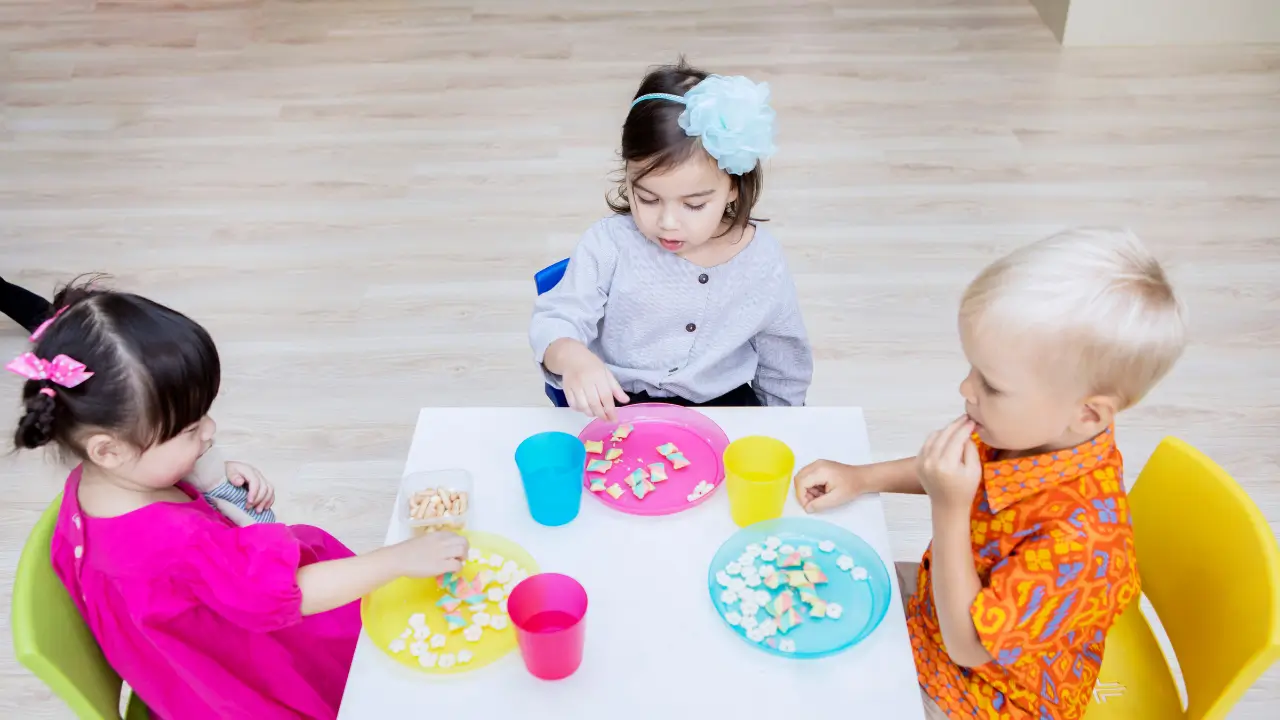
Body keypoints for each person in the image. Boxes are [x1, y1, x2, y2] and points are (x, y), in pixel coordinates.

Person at [8, 282, 469, 719]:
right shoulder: (174, 542)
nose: (209, 431)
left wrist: (207, 477)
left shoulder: (98, 484)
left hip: (181, 660)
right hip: (246, 680)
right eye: (190, 430)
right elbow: (290, 593)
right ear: (109, 449)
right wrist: (398, 559)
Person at [793, 228, 1187, 719]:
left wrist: (949, 507)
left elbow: (969, 647)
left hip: (985, 695)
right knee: (811, 587)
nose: (965, 387)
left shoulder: (1083, 543)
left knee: (813, 689)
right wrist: (862, 477)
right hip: (943, 607)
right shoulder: (1028, 432)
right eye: (972, 368)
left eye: (992, 385)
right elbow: (952, 472)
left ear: (1087, 414)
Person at [529, 60, 813, 421]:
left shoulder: (762, 260)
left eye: (694, 204)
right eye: (647, 199)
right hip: (623, 403)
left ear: (734, 189)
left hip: (725, 406)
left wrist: (788, 425)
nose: (667, 222)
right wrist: (572, 356)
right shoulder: (608, 244)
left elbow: (784, 361)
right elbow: (558, 318)